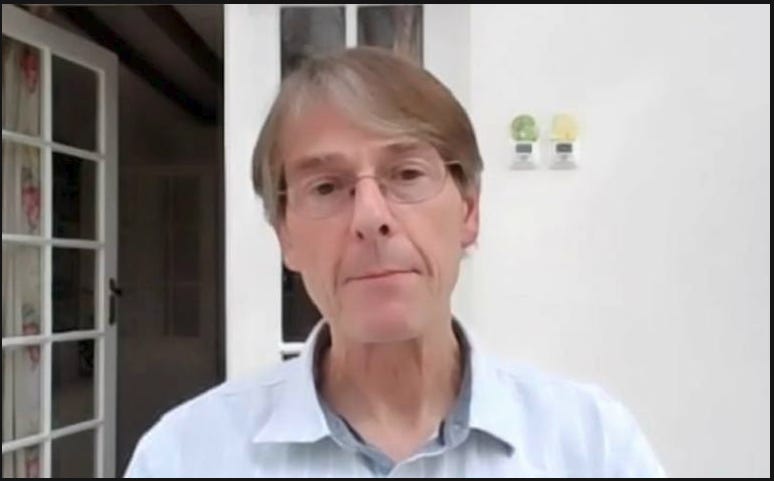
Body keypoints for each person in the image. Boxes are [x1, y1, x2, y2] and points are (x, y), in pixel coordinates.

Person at [125, 46, 665, 477]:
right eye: (326, 187)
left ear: (469, 211)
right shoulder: (186, 455)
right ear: (285, 235)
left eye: (406, 175)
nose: (370, 217)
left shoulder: (591, 443)